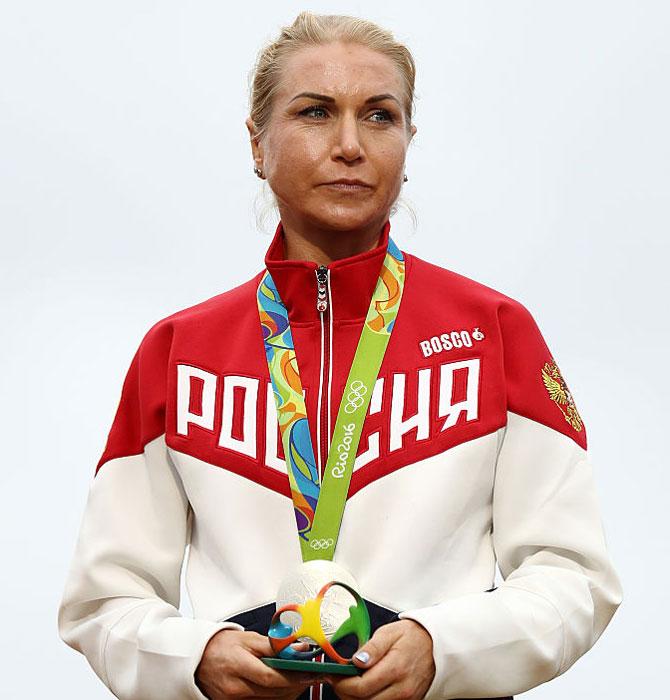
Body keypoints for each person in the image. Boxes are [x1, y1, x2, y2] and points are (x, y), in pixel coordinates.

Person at [57, 11, 623, 700]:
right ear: (258, 143)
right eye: (316, 112)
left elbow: (576, 580)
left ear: (409, 141)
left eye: (380, 116)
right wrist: (194, 655)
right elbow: (102, 602)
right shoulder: (178, 352)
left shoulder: (496, 332)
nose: (350, 144)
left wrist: (443, 650)